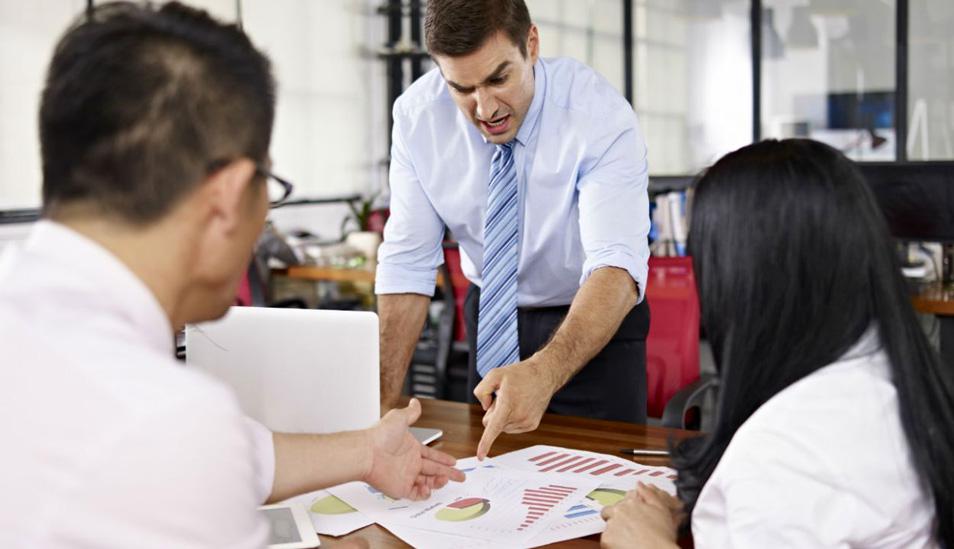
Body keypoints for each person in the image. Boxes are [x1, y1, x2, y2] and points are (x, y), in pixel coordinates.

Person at [0, 3, 463, 547]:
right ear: (229, 195)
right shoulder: (166, 422)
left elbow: (241, 453)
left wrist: (366, 452)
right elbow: (187, 444)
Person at [600, 139, 954, 548]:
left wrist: (646, 541)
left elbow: (793, 485)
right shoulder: (889, 377)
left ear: (742, 281)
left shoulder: (787, 451)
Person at [375, 0, 651, 459]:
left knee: (602, 487)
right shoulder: (417, 117)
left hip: (591, 321)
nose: (485, 108)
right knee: (488, 479)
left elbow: (616, 265)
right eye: (462, 88)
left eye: (498, 79)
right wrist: (381, 403)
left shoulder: (596, 113)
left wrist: (544, 372)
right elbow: (407, 263)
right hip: (493, 319)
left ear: (531, 45)